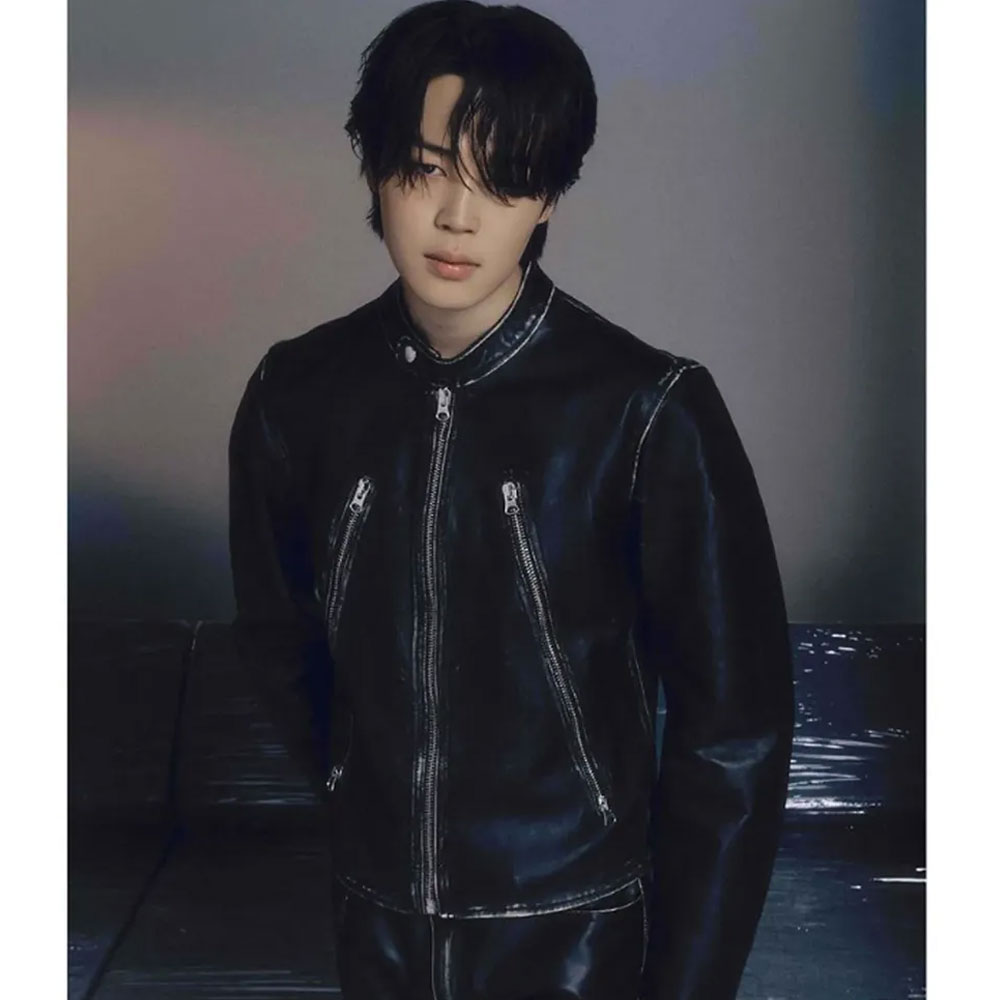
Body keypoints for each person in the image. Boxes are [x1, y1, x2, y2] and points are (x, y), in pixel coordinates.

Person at [228, 2, 795, 998]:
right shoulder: (297, 393)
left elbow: (734, 731)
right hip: (377, 924)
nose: (460, 217)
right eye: (427, 169)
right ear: (374, 170)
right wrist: (359, 792)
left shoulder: (647, 410)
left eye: (506, 179)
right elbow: (282, 644)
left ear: (548, 201)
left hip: (578, 933)